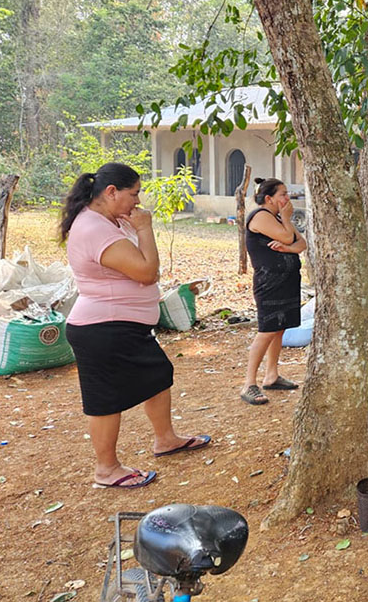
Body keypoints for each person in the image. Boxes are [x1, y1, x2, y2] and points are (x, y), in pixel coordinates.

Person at [61, 162, 210, 489]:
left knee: (157, 375)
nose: (138, 201)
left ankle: (165, 439)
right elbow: (146, 272)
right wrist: (145, 229)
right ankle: (106, 469)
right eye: (134, 194)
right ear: (111, 192)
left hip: (121, 324)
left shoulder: (108, 221)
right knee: (104, 400)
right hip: (102, 327)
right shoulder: (94, 228)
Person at [240, 177, 307, 405]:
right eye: (283, 194)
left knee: (279, 329)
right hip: (269, 283)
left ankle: (272, 375)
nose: (288, 198)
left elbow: (301, 243)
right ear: (269, 198)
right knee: (267, 330)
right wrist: (287, 222)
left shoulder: (278, 219)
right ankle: (249, 383)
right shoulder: (260, 216)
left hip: (287, 282)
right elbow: (289, 236)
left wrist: (288, 248)